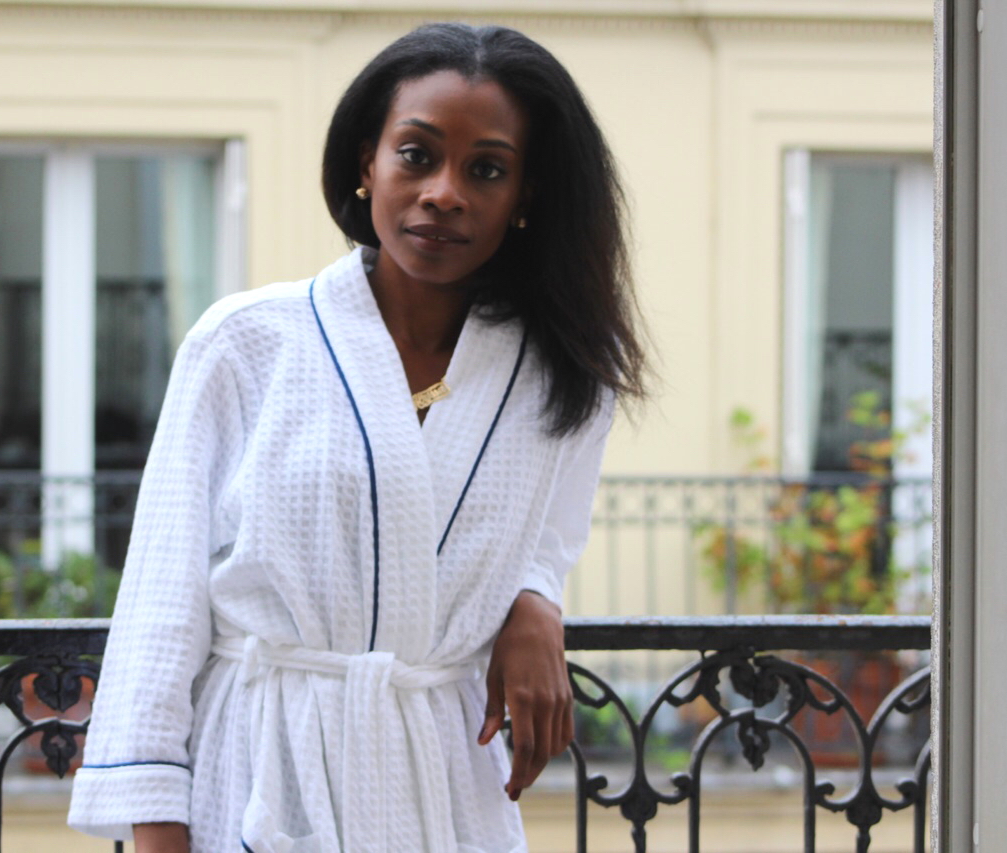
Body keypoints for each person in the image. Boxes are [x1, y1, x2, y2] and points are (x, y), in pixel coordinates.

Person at [68, 21, 645, 852]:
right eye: (416, 154)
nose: (444, 191)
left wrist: (534, 601)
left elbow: (547, 536)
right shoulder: (246, 341)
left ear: (526, 198)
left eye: (486, 169)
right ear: (364, 164)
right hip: (259, 770)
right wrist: (161, 828)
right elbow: (161, 604)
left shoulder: (565, 374)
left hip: (441, 786)